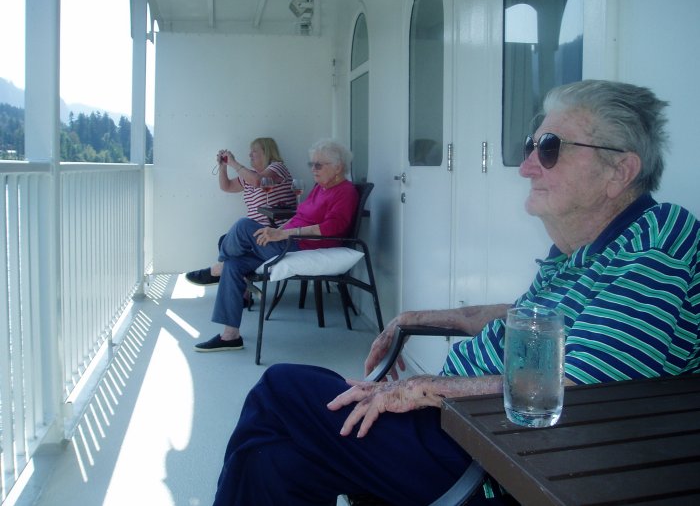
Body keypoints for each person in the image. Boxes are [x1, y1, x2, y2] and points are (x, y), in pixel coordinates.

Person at [211, 80, 700, 505]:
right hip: (464, 426)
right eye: (531, 147)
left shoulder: (661, 238)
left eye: (548, 148)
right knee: (275, 463)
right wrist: (411, 318)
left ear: (620, 171)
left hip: (492, 454)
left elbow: (584, 379)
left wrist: (419, 390)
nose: (527, 166)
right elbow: (529, 317)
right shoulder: (580, 251)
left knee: (282, 388)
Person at [195, 138, 359, 353]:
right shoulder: (321, 188)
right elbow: (299, 216)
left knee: (244, 226)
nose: (313, 169)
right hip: (289, 241)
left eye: (319, 165)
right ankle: (230, 336)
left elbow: (330, 228)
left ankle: (217, 268)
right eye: (312, 164)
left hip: (304, 246)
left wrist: (282, 233)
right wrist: (276, 233)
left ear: (338, 167)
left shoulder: (345, 192)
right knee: (235, 264)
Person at [186, 137, 297, 286]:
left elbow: (259, 181)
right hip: (254, 236)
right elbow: (226, 186)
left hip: (273, 235)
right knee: (225, 240)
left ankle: (218, 270)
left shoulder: (277, 168)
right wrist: (223, 166)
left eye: (254, 151)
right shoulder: (248, 176)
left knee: (240, 228)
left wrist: (233, 163)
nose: (250, 155)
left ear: (267, 152)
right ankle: (242, 292)